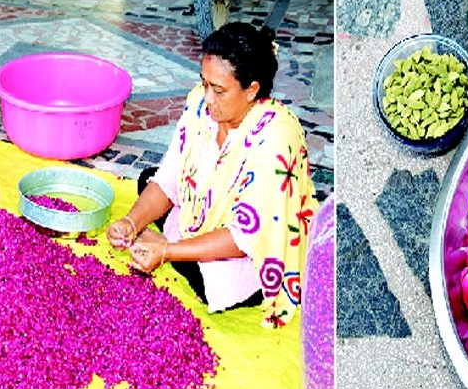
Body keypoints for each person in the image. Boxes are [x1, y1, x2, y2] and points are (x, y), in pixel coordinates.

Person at [107, 22, 316, 328]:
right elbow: (168, 177)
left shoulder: (274, 138)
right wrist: (131, 222)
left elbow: (246, 236)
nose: (207, 97)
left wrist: (167, 251)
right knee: (147, 180)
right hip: (205, 217)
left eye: (218, 90)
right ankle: (178, 247)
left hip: (252, 245)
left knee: (216, 286)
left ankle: (178, 250)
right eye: (204, 83)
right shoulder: (200, 106)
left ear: (252, 90)